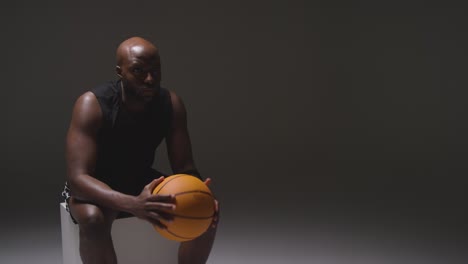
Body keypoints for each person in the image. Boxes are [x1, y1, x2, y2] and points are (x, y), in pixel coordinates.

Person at [61, 36, 218, 264]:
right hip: (94, 185)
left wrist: (202, 193)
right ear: (120, 72)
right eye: (138, 70)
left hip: (139, 179)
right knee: (93, 219)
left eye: (156, 71)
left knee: (206, 212)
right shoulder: (92, 104)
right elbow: (77, 179)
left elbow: (185, 168)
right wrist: (133, 204)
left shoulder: (171, 104)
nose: (149, 79)